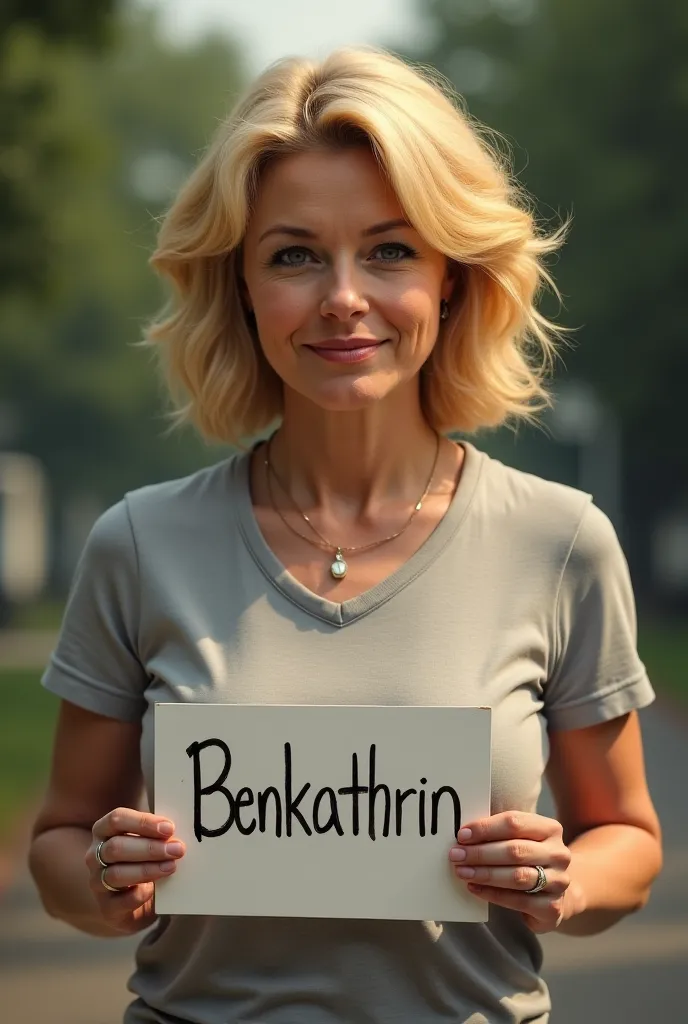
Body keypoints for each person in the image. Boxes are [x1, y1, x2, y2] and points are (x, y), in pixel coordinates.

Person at [28, 46, 662, 1024]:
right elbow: (59, 840)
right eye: (293, 255)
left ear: (451, 277)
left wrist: (565, 878)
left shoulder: (560, 541)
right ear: (239, 284)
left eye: (389, 249)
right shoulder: (139, 543)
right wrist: (103, 875)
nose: (342, 296)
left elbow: (627, 837)